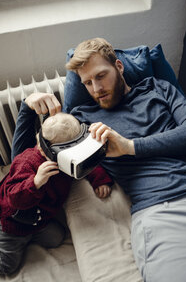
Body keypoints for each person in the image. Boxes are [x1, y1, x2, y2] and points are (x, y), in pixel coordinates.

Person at [12, 38, 186, 281]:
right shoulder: (83, 120)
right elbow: (23, 165)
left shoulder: (158, 88)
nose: (96, 88)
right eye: (87, 83)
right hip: (163, 210)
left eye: (101, 76)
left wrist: (130, 147)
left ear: (119, 67)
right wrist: (27, 108)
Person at [0, 110, 113, 276]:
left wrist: (100, 180)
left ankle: (31, 237)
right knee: (7, 266)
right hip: (14, 222)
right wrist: (36, 182)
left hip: (41, 219)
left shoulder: (67, 159)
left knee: (57, 238)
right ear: (47, 149)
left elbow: (85, 165)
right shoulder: (26, 162)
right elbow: (13, 198)